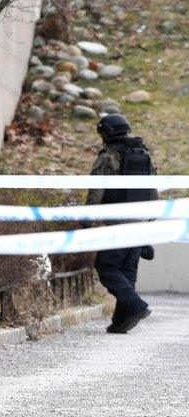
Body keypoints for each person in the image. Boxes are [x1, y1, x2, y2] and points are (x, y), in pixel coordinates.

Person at [85, 113, 158, 334]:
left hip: (119, 220)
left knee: (106, 267)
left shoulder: (109, 155)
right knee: (126, 273)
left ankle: (137, 307)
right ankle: (122, 321)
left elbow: (96, 189)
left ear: (107, 132)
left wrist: (87, 219)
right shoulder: (144, 155)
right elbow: (153, 187)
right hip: (140, 219)